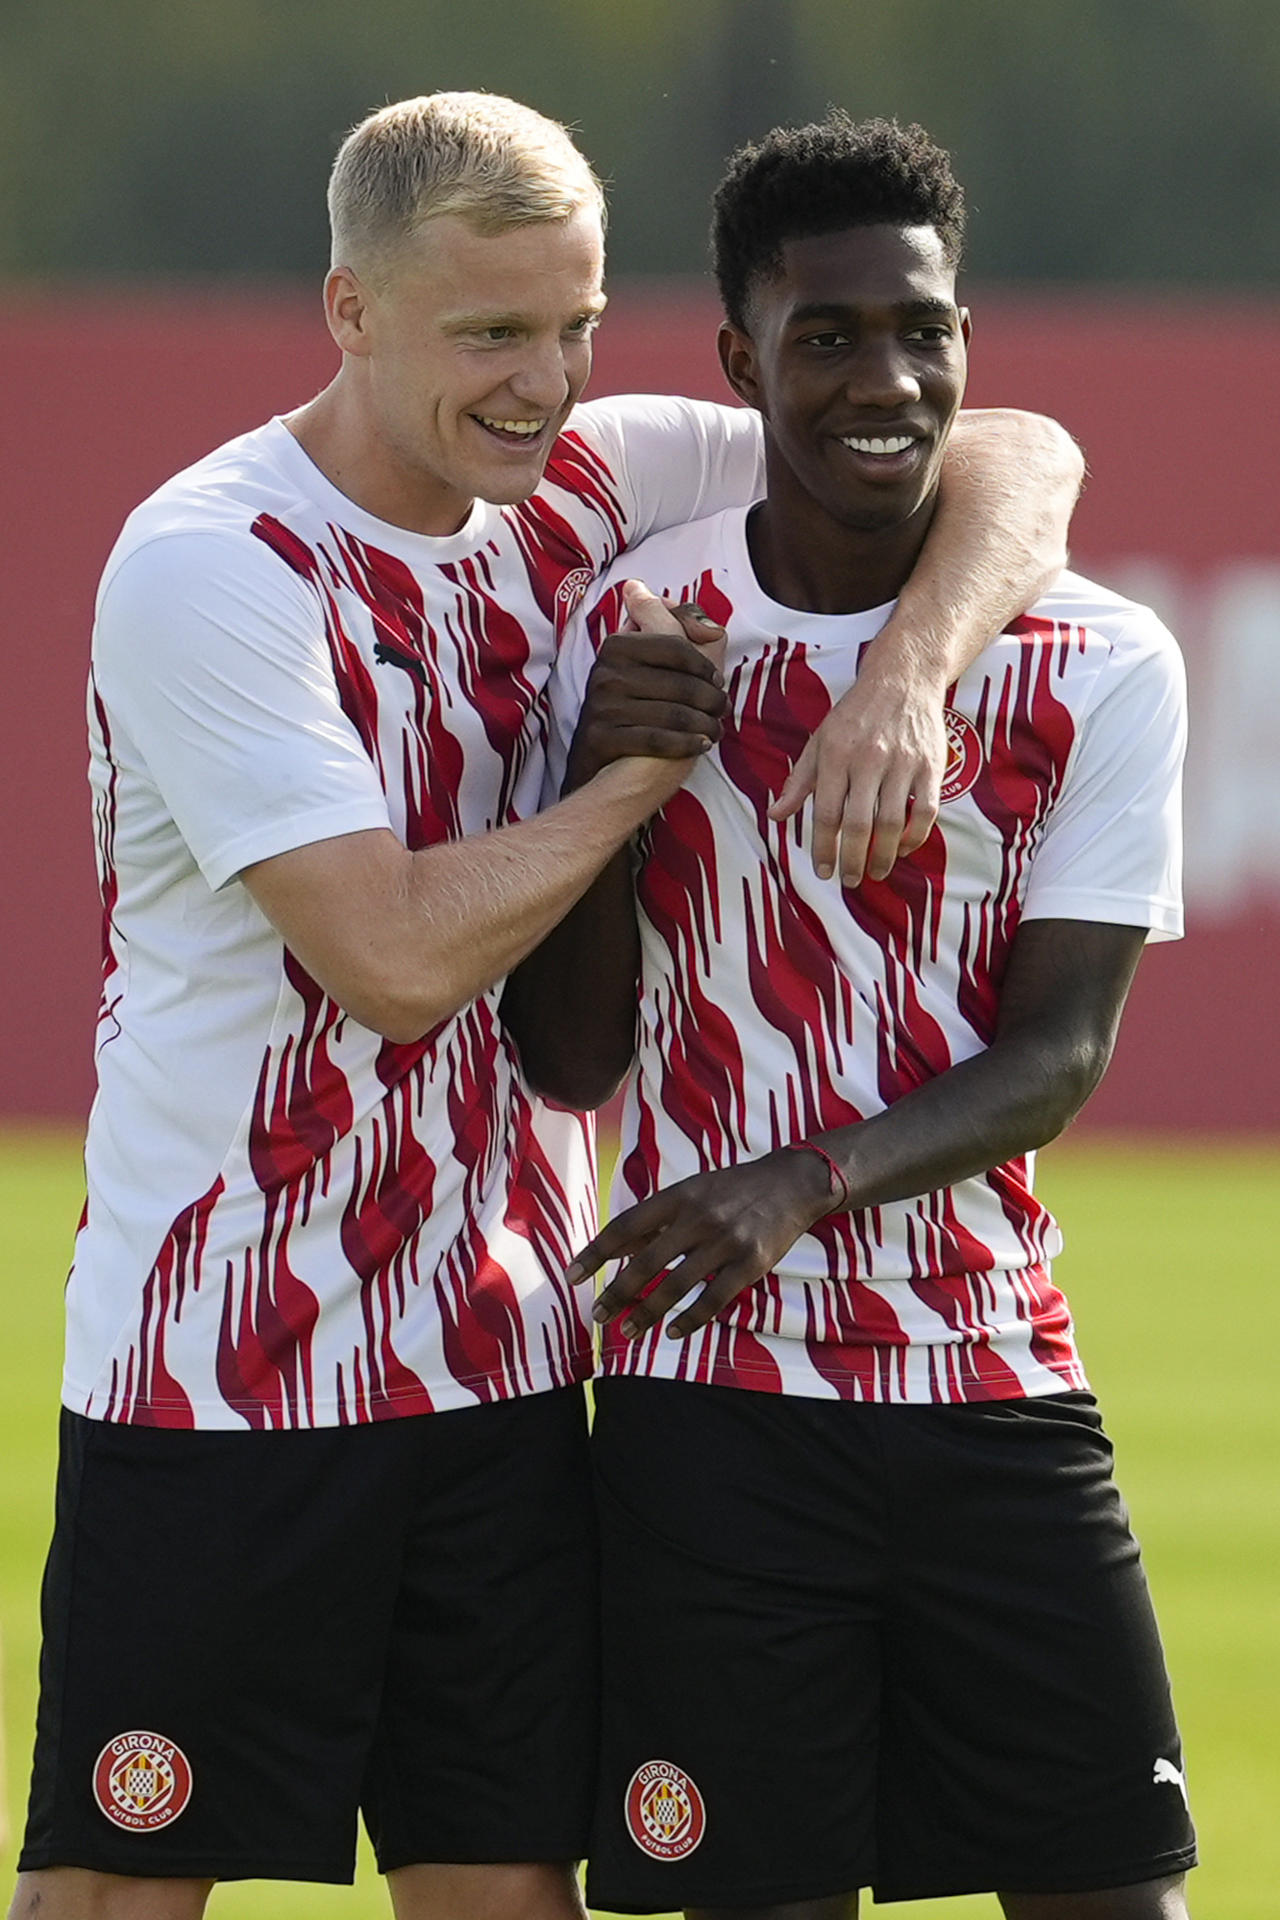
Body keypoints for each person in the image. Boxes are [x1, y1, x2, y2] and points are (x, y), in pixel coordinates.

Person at [10, 93, 1083, 1920]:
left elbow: (1018, 450)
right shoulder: (215, 565)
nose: (546, 381)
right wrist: (627, 788)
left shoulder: (582, 470)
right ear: (348, 309)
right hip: (221, 1366)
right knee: (120, 1894)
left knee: (509, 1897)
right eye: (491, 333)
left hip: (508, 1357)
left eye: (577, 324)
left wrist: (910, 674)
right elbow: (395, 958)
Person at [528, 114, 1195, 1918]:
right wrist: (611, 781)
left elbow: (1055, 1059)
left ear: (969, 344)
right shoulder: (630, 629)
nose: (886, 379)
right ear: (743, 366)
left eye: (925, 331)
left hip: (989, 1378)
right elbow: (572, 1059)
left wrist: (794, 1185)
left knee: (1118, 1892)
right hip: (708, 1409)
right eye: (829, 339)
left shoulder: (1093, 661)